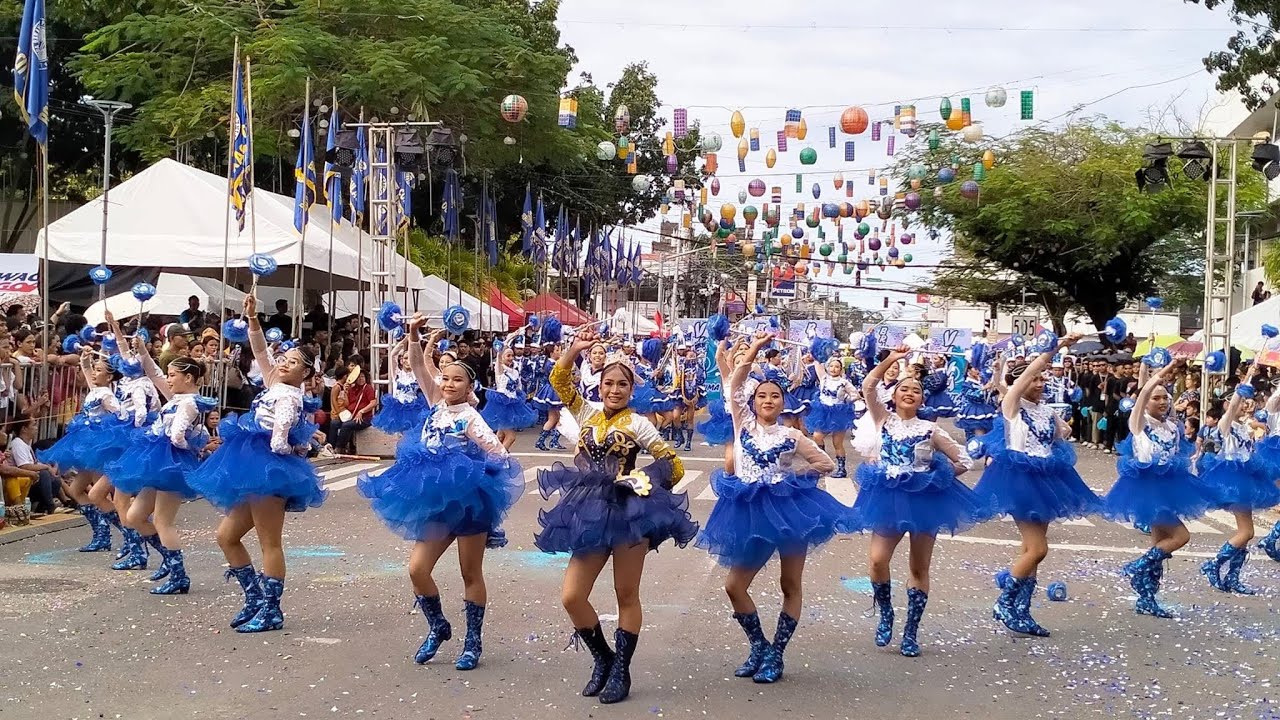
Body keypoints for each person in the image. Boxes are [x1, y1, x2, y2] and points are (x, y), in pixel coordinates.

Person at [535, 327, 696, 705]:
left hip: (628, 513)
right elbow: (559, 379)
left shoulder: (640, 423)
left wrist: (639, 478)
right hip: (588, 511)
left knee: (626, 594)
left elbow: (672, 467)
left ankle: (621, 669)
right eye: (609, 382)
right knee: (572, 596)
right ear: (600, 385)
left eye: (622, 384)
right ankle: (603, 657)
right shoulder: (585, 411)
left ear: (631, 389)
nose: (615, 389)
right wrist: (574, 349)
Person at [359, 319, 522, 670]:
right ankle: (438, 627)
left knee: (469, 573)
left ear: (469, 387)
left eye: (456, 380)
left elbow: (498, 453)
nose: (448, 384)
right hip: (434, 501)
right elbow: (418, 365)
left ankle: (472, 642)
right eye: (445, 378)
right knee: (417, 569)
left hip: (467, 504)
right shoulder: (435, 402)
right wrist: (416, 336)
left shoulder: (470, 418)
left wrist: (472, 470)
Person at [696, 331, 842, 682]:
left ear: (782, 403)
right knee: (734, 585)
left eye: (775, 396)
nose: (768, 400)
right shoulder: (741, 422)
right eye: (762, 395)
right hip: (748, 513)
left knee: (789, 584)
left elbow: (827, 465)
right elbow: (733, 385)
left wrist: (793, 479)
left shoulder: (792, 436)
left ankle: (777, 653)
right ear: (753, 401)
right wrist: (755, 351)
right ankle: (759, 645)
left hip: (789, 514)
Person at [188, 293, 326, 632]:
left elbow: (280, 436)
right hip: (254, 465)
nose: (283, 363)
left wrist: (287, 448)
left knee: (269, 543)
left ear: (306, 372)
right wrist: (252, 319)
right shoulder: (275, 381)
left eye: (292, 363)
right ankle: (253, 597)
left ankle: (271, 609)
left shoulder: (290, 397)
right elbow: (262, 352)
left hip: (269, 469)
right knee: (226, 536)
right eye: (285, 359)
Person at [850, 346, 983, 656]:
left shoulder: (931, 429)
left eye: (916, 390)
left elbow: (965, 460)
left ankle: (911, 631)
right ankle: (885, 613)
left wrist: (939, 476)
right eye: (903, 389)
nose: (909, 393)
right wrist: (894, 359)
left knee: (919, 567)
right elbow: (869, 385)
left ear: (923, 400)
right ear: (894, 397)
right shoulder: (884, 419)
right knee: (878, 560)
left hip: (924, 501)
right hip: (888, 498)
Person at [974, 332, 1100, 637]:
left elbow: (1062, 435)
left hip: (1047, 480)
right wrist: (1057, 348)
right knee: (1039, 548)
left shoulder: (1047, 411)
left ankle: (1022, 610)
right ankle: (1005, 602)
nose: (1040, 383)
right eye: (1035, 379)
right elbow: (1024, 378)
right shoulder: (1012, 407)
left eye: (1044, 380)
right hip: (1020, 480)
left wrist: (1063, 429)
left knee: (1032, 548)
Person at [1101, 360, 1211, 616]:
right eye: (1156, 398)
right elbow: (1143, 394)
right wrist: (1163, 369)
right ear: (1145, 402)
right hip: (1148, 490)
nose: (1162, 402)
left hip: (1170, 488)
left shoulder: (1173, 426)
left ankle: (1147, 597)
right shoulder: (1139, 424)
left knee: (1160, 543)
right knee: (1181, 537)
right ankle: (1139, 566)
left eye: (1166, 398)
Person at [106, 339, 212, 596]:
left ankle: (179, 575)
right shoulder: (178, 397)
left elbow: (177, 436)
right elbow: (152, 371)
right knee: (134, 516)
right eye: (168, 375)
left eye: (173, 375)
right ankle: (168, 559)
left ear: (188, 378)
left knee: (164, 521)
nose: (168, 379)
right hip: (160, 462)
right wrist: (141, 348)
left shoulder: (188, 402)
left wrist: (188, 444)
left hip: (172, 464)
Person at [1197, 365, 1280, 593]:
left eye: (1247, 401)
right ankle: (1212, 564)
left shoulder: (1243, 426)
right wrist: (1248, 376)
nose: (1245, 404)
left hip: (1246, 479)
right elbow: (1233, 405)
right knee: (1247, 532)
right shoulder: (1225, 425)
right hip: (1234, 482)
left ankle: (1233, 576)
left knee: (1247, 531)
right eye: (1241, 401)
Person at [38, 350, 127, 551]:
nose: (94, 374)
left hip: (96, 448)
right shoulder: (96, 389)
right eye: (94, 370)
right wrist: (86, 357)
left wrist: (101, 430)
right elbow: (86, 369)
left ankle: (130, 535)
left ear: (110, 376)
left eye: (99, 370)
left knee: (98, 493)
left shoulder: (106, 394)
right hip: (85, 446)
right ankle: (102, 533)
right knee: (77, 490)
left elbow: (121, 416)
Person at [805, 356, 859, 478]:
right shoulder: (823, 378)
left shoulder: (845, 382)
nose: (834, 369)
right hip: (823, 411)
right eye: (831, 366)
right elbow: (817, 362)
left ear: (841, 369)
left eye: (837, 367)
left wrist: (846, 398)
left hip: (839, 413)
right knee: (817, 436)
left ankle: (841, 469)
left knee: (837, 443)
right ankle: (823, 462)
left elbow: (855, 395)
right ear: (827, 367)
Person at [480, 340, 537, 449]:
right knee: (511, 437)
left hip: (512, 404)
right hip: (502, 405)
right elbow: (499, 353)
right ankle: (500, 457)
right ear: (502, 357)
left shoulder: (514, 371)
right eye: (508, 356)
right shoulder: (500, 370)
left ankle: (493, 455)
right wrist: (508, 340)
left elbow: (518, 388)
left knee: (500, 435)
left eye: (512, 355)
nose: (511, 358)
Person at [371, 337, 429, 434]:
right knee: (400, 435)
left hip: (414, 409)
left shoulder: (418, 375)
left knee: (412, 434)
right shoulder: (397, 373)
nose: (408, 361)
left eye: (411, 358)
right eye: (406, 358)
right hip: (398, 409)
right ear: (401, 360)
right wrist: (406, 339)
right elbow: (393, 354)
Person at [330, 356, 375, 454]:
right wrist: (345, 392)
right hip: (351, 415)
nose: (361, 379)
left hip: (364, 418)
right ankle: (330, 446)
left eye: (362, 377)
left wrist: (361, 411)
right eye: (359, 377)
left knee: (347, 425)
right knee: (334, 423)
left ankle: (339, 448)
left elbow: (373, 402)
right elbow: (347, 404)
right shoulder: (351, 389)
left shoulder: (368, 388)